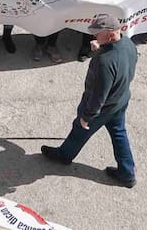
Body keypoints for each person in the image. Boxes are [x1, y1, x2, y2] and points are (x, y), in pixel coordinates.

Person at [41, 13, 139, 188]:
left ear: (110, 34)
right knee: (119, 133)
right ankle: (127, 173)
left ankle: (64, 155)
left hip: (103, 108)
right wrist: (101, 47)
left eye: (98, 33)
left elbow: (98, 95)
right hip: (121, 99)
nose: (94, 36)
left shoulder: (104, 61)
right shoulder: (128, 43)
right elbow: (124, 67)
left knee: (79, 129)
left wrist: (87, 116)